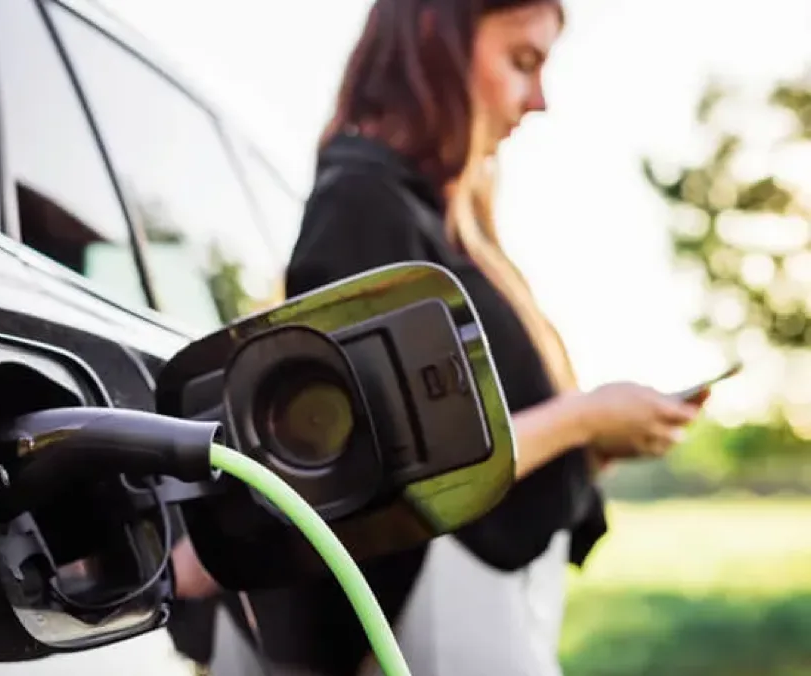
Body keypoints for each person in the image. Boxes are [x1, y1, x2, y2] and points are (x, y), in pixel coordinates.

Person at [171, 1, 707, 674]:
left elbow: (454, 429)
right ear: (435, 38)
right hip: (427, 614)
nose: (538, 100)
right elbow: (378, 462)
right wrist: (584, 418)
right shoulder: (364, 203)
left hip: (476, 603)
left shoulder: (438, 219)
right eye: (522, 61)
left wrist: (596, 439)